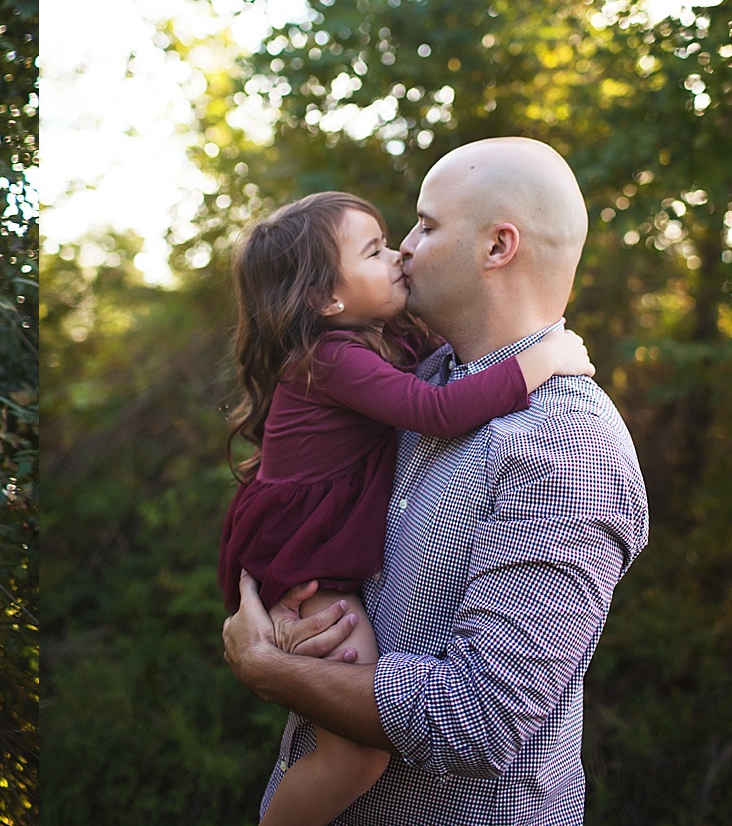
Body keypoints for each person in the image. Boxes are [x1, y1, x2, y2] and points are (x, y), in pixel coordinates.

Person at [223, 138, 651, 825]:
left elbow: (478, 722)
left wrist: (276, 671)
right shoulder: (414, 380)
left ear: (497, 247)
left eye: (424, 225)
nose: (406, 249)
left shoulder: (565, 448)